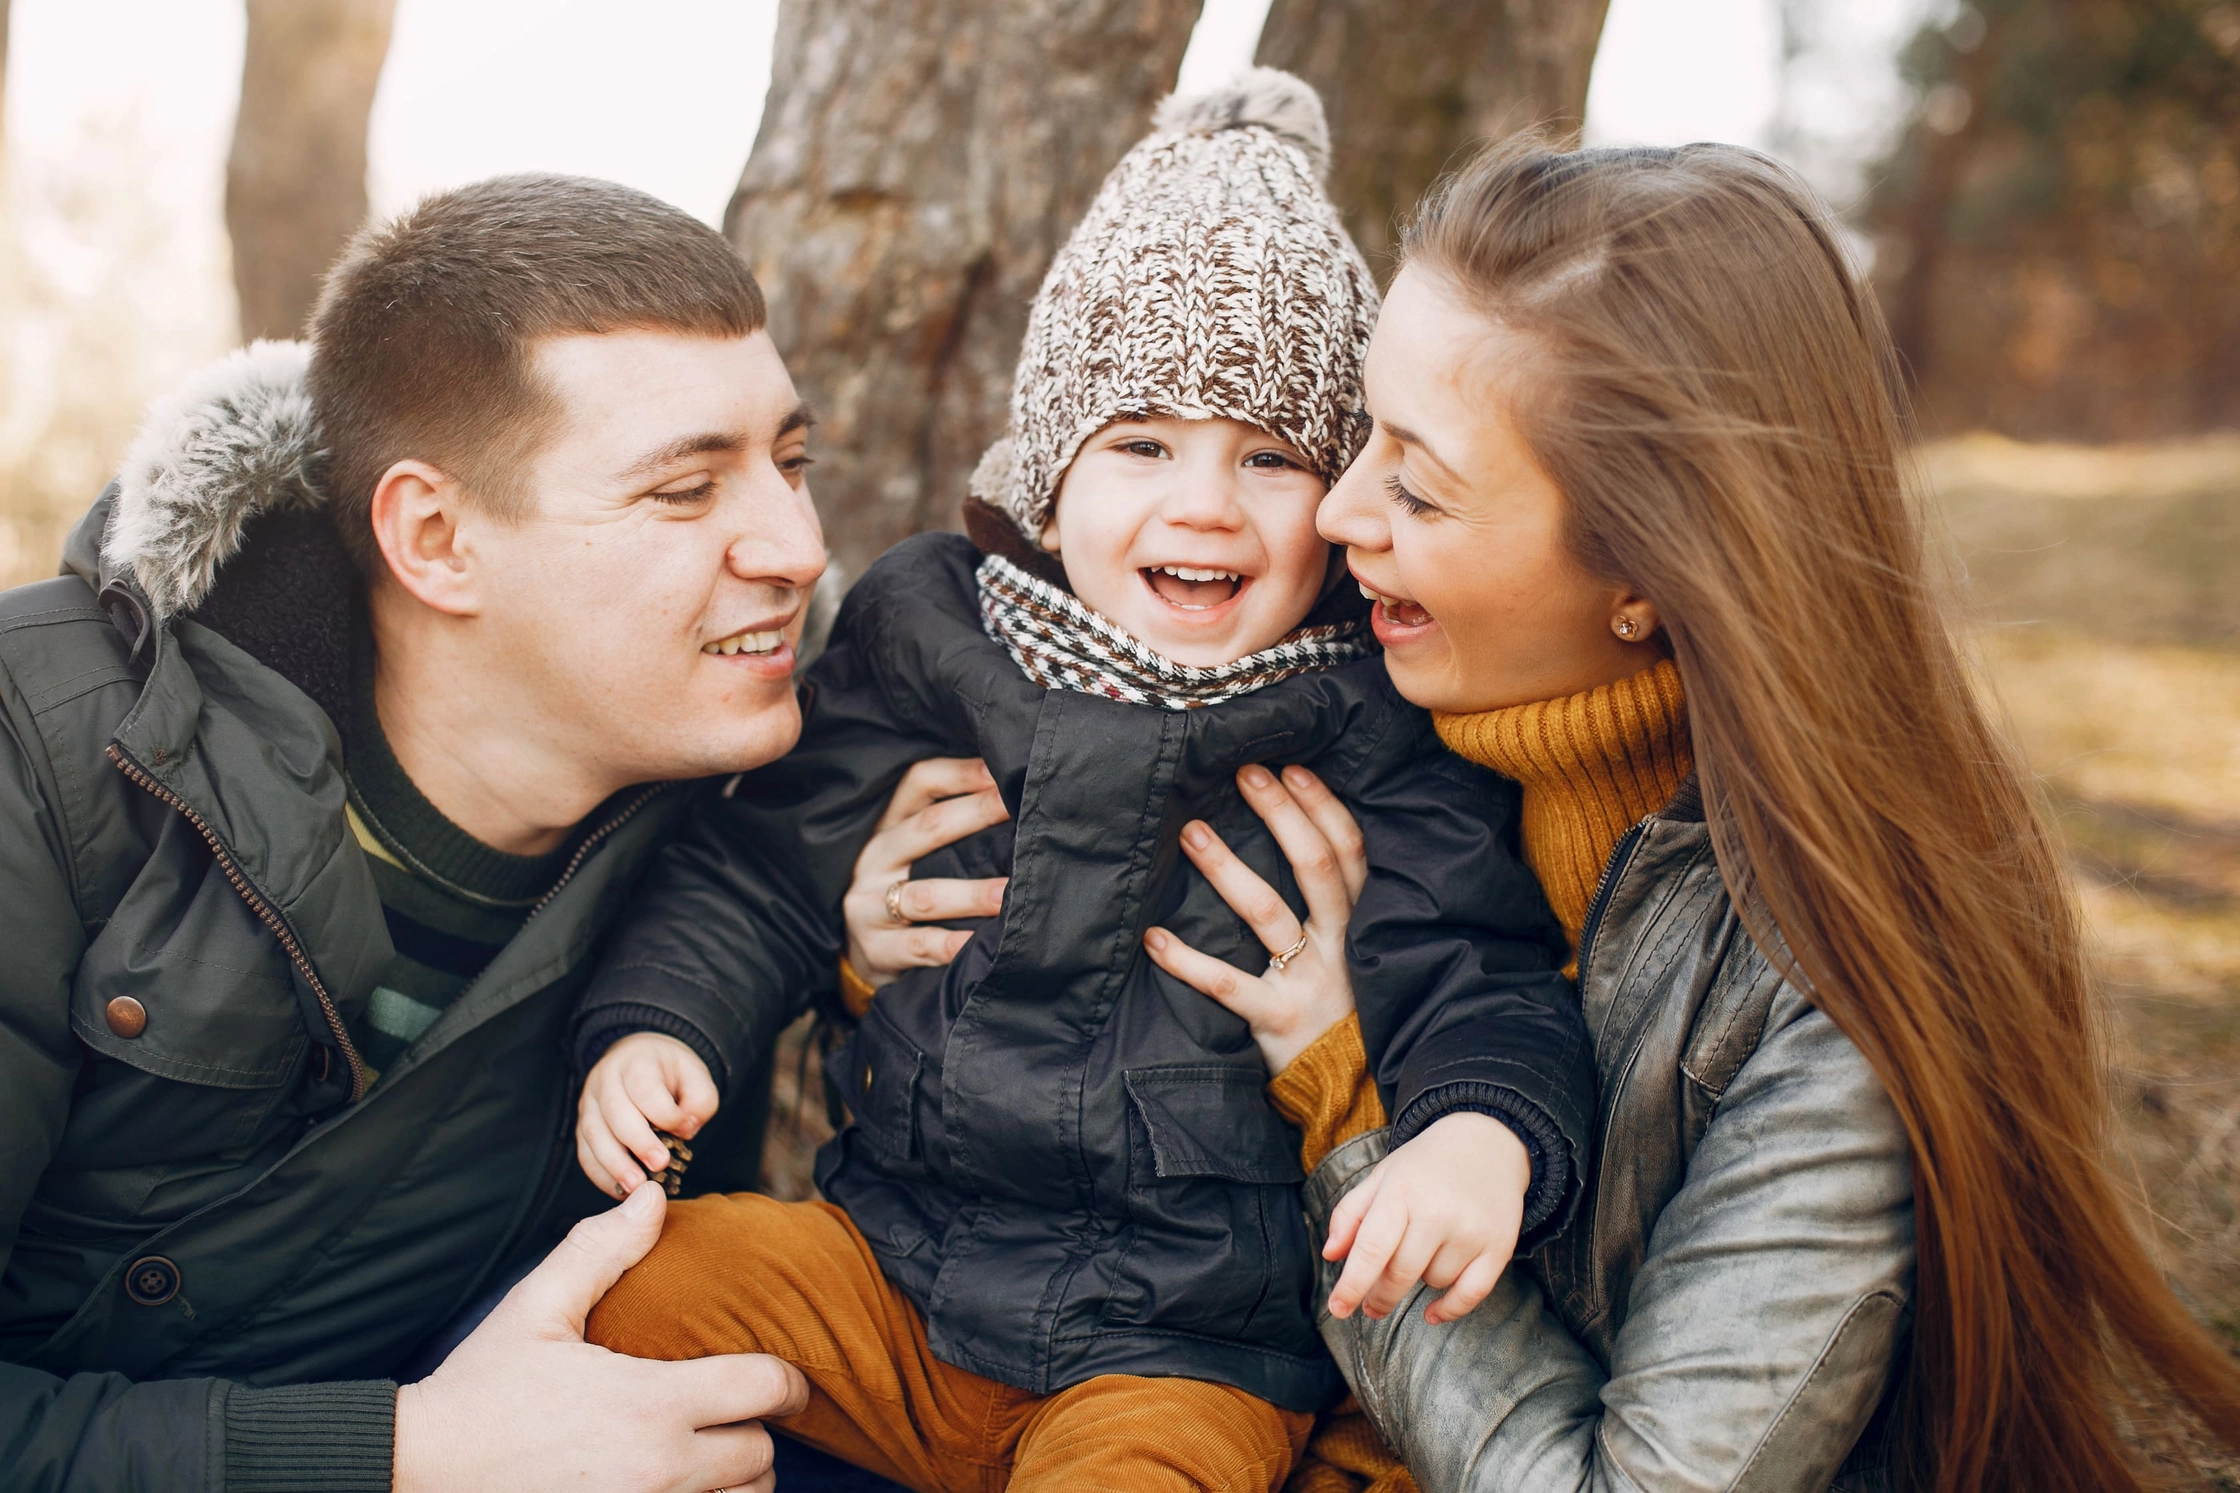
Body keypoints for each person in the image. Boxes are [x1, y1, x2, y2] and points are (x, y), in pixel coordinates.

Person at [1123, 139, 2240, 1490]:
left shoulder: (1834, 997)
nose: (1342, 509)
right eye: (1364, 434)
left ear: (1649, 567)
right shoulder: (1380, 709)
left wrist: (1344, 1092)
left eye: (1417, 483)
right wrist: (882, 901)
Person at [567, 73, 1595, 1492]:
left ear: (1342, 502)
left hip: (1184, 1350)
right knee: (623, 1297)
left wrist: (1482, 1134)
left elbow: (1483, 972)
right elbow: (760, 870)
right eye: (1144, 445)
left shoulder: (1369, 729)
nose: (1204, 503)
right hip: (891, 1271)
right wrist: (660, 1025)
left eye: (1273, 459)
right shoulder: (935, 641)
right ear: (1048, 484)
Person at [0, 174, 821, 1493]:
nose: (796, 546)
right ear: (436, 540)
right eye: (685, 491)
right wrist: (407, 1452)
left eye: (791, 463)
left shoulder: (733, 841)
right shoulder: (45, 754)